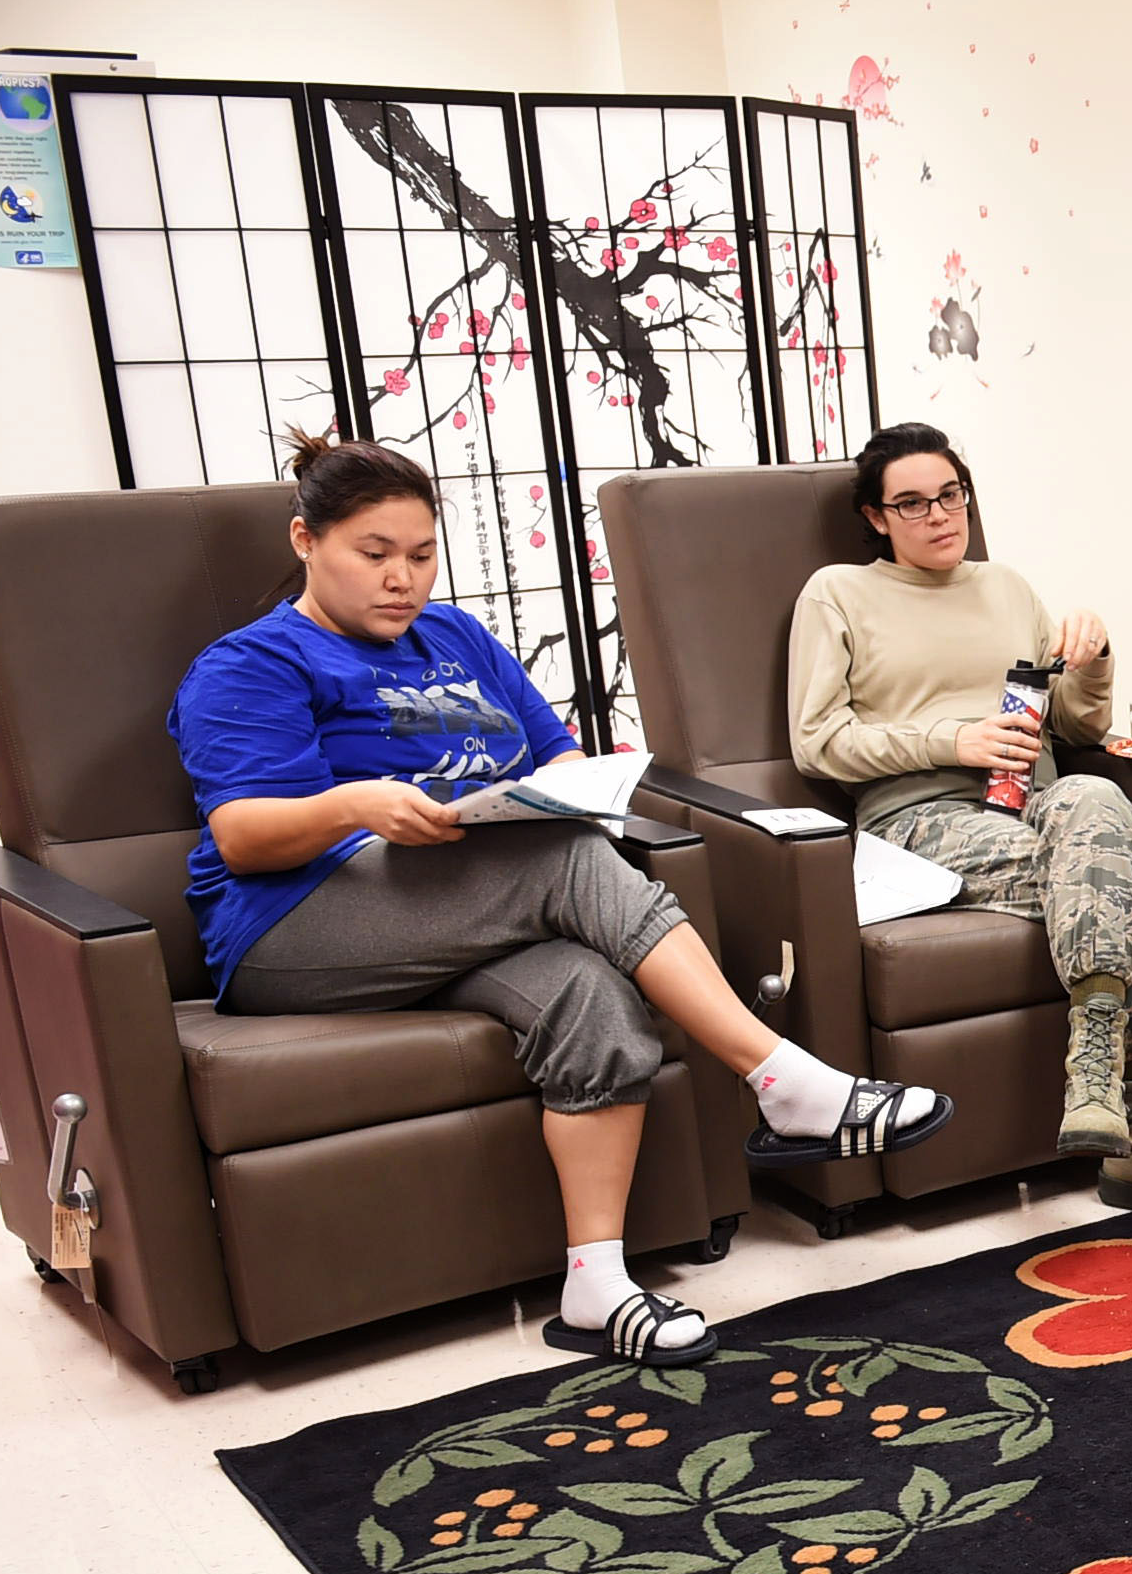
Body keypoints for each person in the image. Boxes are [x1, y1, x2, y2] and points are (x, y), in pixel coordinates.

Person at [178, 434, 948, 1369]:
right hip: (292, 928)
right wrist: (355, 804)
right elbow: (243, 838)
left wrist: (570, 787)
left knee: (592, 998)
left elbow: (556, 757)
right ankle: (785, 1081)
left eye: (421, 556)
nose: (402, 579)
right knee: (564, 858)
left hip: (451, 909)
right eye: (373, 555)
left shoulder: (456, 638)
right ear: (306, 540)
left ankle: (596, 1285)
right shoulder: (251, 663)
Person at [788, 421, 1132, 1216]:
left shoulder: (1006, 587)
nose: (940, 516)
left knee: (1099, 797)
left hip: (1038, 804)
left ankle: (1096, 1081)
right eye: (912, 504)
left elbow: (1075, 732)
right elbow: (818, 743)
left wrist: (1098, 654)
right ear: (876, 517)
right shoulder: (838, 593)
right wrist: (954, 738)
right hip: (921, 817)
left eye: (951, 495)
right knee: (1125, 870)